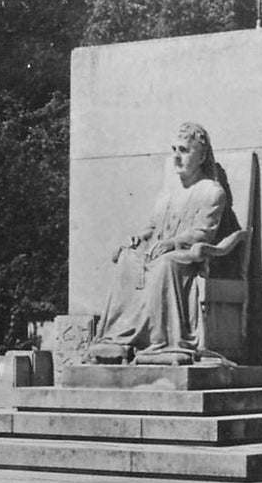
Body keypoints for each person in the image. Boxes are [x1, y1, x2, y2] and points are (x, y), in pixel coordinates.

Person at [88, 122, 227, 365]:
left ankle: (161, 341)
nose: (176, 157)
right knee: (128, 259)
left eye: (184, 150)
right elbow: (153, 228)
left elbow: (202, 233)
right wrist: (139, 238)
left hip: (187, 258)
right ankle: (119, 338)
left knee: (165, 264)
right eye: (174, 149)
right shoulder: (167, 194)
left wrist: (172, 243)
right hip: (157, 251)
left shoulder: (211, 192)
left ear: (202, 155)